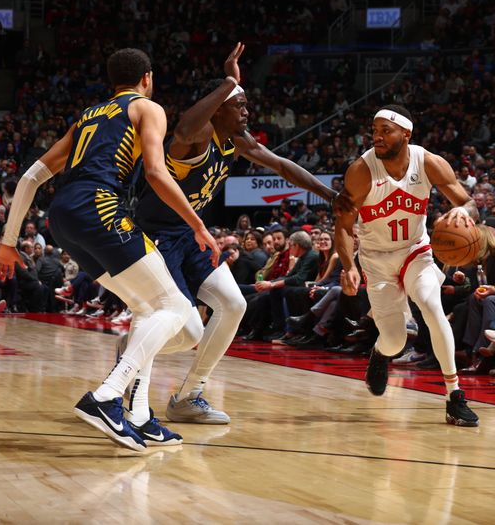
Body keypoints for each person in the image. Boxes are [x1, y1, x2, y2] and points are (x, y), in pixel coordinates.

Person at [0, 48, 218, 452]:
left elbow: (30, 177)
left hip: (62, 216)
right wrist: (197, 222)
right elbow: (154, 170)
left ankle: (140, 416)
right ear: (147, 77)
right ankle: (107, 395)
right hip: (101, 206)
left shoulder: (87, 116)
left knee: (151, 312)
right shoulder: (148, 108)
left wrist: (8, 244)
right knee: (178, 313)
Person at [132, 43, 346, 424]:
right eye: (240, 104)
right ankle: (130, 362)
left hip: (190, 235)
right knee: (184, 327)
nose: (247, 111)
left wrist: (330, 196)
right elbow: (181, 126)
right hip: (157, 237)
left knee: (234, 304)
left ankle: (187, 396)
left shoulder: (236, 142)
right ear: (218, 108)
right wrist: (229, 80)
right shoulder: (193, 139)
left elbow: (281, 165)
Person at [335, 104, 479, 427]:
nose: (378, 137)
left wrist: (466, 213)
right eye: (374, 131)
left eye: (386, 130)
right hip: (376, 259)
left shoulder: (427, 162)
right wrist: (348, 265)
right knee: (396, 341)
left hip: (417, 250)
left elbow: (467, 201)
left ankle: (454, 396)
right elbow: (343, 226)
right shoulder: (361, 171)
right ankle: (381, 352)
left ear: (406, 134)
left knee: (431, 305)